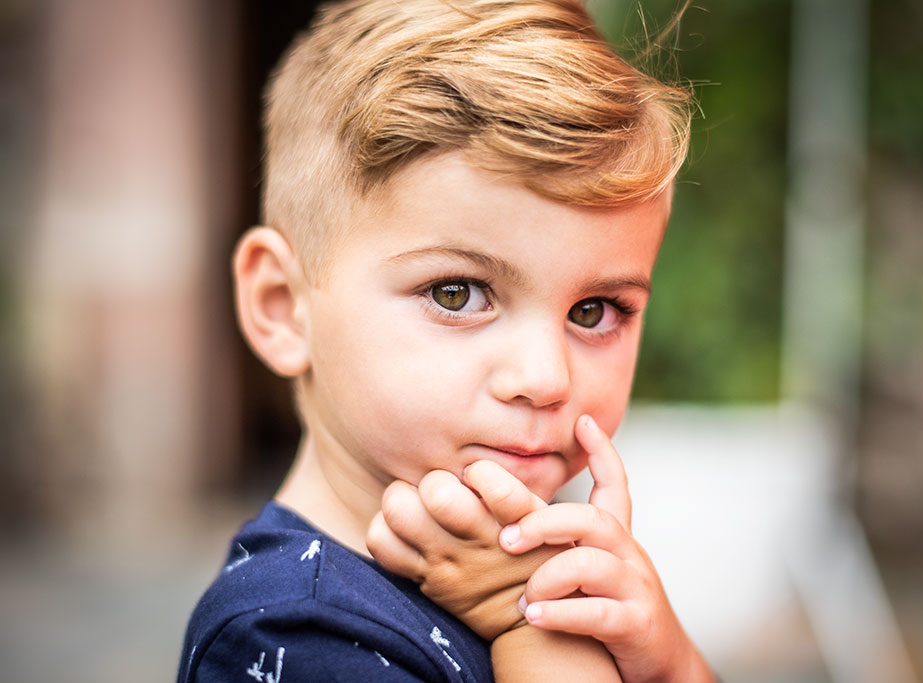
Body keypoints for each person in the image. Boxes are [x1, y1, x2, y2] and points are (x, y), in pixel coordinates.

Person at [177, 0, 713, 680]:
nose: (545, 376)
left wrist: (673, 662)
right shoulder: (291, 634)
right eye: (456, 292)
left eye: (595, 309)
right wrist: (528, 621)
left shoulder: (563, 574)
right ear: (283, 307)